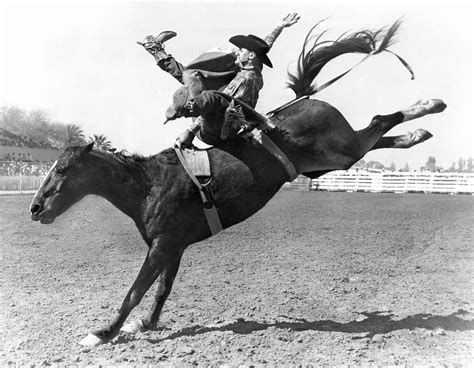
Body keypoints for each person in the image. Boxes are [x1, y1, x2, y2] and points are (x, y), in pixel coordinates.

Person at [140, 13, 300, 147]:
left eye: (241, 51)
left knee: (213, 94)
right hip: (224, 121)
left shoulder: (244, 78)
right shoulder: (253, 70)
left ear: (250, 56)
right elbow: (261, 48)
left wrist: (189, 132)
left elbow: (219, 101)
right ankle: (155, 49)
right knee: (194, 76)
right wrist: (279, 27)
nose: (237, 53)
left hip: (217, 129)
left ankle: (185, 107)